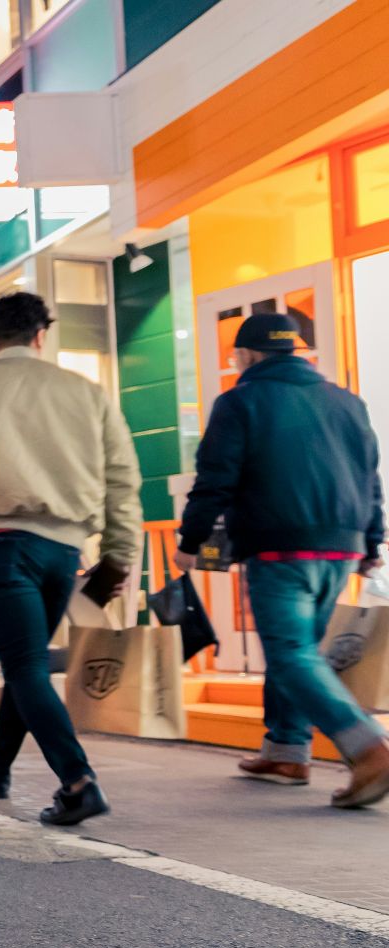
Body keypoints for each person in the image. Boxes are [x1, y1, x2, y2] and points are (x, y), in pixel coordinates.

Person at [0, 291, 142, 827]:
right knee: (27, 661)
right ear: (41, 336)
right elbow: (122, 479)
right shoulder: (87, 393)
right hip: (62, 548)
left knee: (24, 664)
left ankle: (78, 781)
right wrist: (118, 555)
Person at [174, 313, 389, 808]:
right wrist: (372, 544)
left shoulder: (241, 401)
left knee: (290, 653)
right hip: (341, 547)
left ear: (247, 355)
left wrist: (191, 540)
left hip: (280, 545)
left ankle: (368, 747)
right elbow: (370, 480)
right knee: (298, 650)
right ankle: (287, 752)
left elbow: (215, 479)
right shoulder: (346, 401)